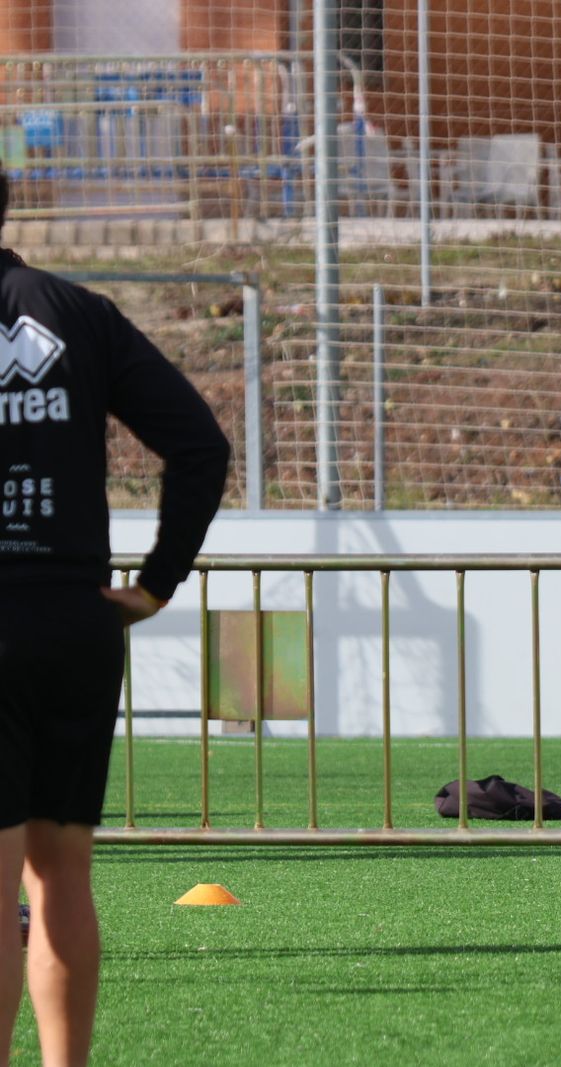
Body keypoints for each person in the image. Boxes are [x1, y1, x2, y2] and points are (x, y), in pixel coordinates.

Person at [0, 172, 230, 1067]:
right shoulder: (77, 312)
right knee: (61, 875)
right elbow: (200, 444)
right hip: (73, 623)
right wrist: (156, 583)